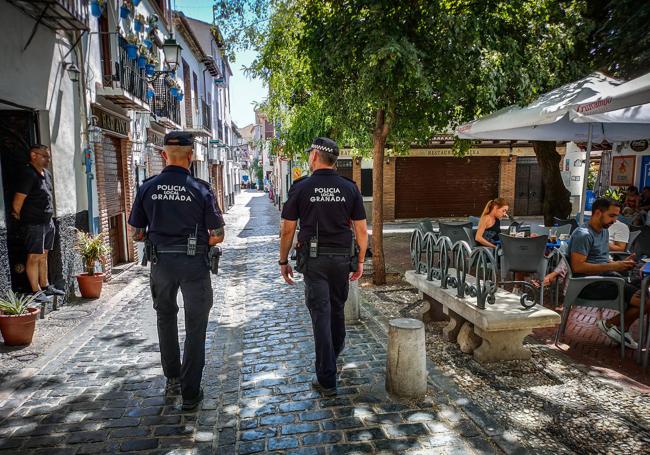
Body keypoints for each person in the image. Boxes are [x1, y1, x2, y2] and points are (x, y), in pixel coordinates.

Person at [128, 131, 225, 410]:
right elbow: (217, 234)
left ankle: (172, 375)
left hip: (161, 264)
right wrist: (194, 244)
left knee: (165, 317)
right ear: (191, 156)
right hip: (194, 264)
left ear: (163, 155)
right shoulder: (201, 188)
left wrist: (158, 239)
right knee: (196, 325)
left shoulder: (147, 187)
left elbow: (136, 233)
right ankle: (191, 392)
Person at [279, 137, 368, 394]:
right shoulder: (349, 187)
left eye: (310, 154)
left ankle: (327, 380)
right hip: (342, 260)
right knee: (337, 308)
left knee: (320, 314)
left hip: (315, 262)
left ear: (316, 156)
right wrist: (360, 261)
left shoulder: (301, 187)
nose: (309, 158)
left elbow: (287, 229)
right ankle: (334, 352)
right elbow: (361, 230)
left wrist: (283, 260)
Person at [567, 197, 642, 349]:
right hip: (589, 285)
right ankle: (612, 325)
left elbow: (601, 260)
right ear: (597, 213)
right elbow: (578, 267)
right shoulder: (583, 235)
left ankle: (620, 328)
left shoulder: (603, 232)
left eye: (617, 216)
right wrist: (614, 266)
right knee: (645, 301)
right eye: (612, 216)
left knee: (644, 288)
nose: (615, 220)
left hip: (607, 279)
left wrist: (621, 264)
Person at [11, 145, 64, 302]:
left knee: (44, 254)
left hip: (48, 222)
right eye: (44, 156)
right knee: (34, 256)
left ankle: (46, 285)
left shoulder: (46, 174)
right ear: (33, 155)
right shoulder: (28, 174)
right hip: (34, 223)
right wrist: (23, 217)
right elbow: (17, 202)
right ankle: (36, 290)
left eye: (48, 157)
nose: (48, 159)